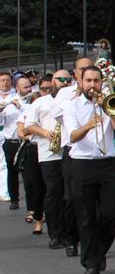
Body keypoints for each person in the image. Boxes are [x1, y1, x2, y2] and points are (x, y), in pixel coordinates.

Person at [62, 66, 115, 274]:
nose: (92, 85)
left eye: (96, 81)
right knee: (85, 216)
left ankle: (98, 252)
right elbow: (72, 136)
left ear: (101, 82)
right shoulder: (72, 106)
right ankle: (91, 261)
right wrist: (89, 125)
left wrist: (108, 109)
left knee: (112, 212)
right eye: (88, 81)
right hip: (81, 164)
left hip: (107, 163)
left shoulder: (110, 101)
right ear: (81, 82)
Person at [29, 70, 71, 246]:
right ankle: (55, 234)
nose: (63, 82)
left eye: (67, 79)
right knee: (53, 192)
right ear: (52, 81)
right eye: (59, 79)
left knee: (69, 194)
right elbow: (30, 125)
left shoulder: (72, 99)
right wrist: (45, 132)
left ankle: (70, 233)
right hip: (49, 153)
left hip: (69, 151)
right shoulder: (40, 102)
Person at [56, 57, 92, 258]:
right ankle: (71, 239)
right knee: (71, 198)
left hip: (97, 155)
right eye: (82, 69)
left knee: (94, 203)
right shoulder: (64, 93)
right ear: (76, 73)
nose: (86, 72)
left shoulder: (102, 90)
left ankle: (91, 240)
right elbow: (55, 115)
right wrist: (76, 98)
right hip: (73, 151)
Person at [16, 79, 47, 233]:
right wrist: (35, 131)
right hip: (33, 149)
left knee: (51, 187)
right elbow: (22, 131)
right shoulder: (27, 112)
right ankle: (38, 220)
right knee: (35, 186)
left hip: (49, 150)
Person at [1, 70, 23, 208]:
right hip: (4, 134)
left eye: (7, 80)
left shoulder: (17, 97)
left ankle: (8, 193)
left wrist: (19, 106)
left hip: (15, 136)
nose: (5, 83)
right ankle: (9, 194)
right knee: (5, 166)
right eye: (2, 80)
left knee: (10, 167)